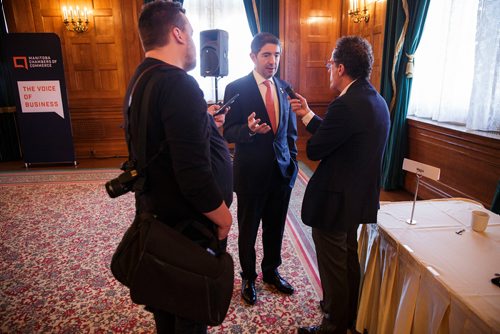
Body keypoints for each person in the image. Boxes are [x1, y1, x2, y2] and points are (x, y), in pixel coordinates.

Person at [123, 1, 233, 332]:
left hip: (158, 216)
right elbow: (193, 176)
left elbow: (163, 143)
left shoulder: (141, 78)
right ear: (177, 33)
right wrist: (223, 216)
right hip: (187, 227)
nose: (195, 41)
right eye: (192, 32)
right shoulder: (180, 84)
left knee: (166, 306)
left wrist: (205, 123)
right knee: (189, 312)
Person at [290, 36, 390, 333]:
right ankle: (348, 312)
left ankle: (333, 323)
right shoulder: (375, 99)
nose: (328, 69)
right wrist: (308, 114)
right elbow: (340, 138)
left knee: (334, 264)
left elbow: (317, 149)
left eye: (330, 64)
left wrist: (312, 127)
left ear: (341, 67)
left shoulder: (345, 105)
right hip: (356, 196)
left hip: (334, 200)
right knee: (347, 259)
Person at [222, 32, 298, 305]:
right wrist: (249, 130)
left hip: (281, 173)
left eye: (276, 55)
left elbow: (290, 133)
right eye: (266, 55)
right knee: (249, 229)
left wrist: (293, 165)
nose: (272, 60)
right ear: (253, 56)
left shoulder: (284, 87)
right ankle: (248, 276)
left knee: (275, 228)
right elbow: (228, 131)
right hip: (251, 174)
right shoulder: (236, 88)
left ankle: (271, 272)